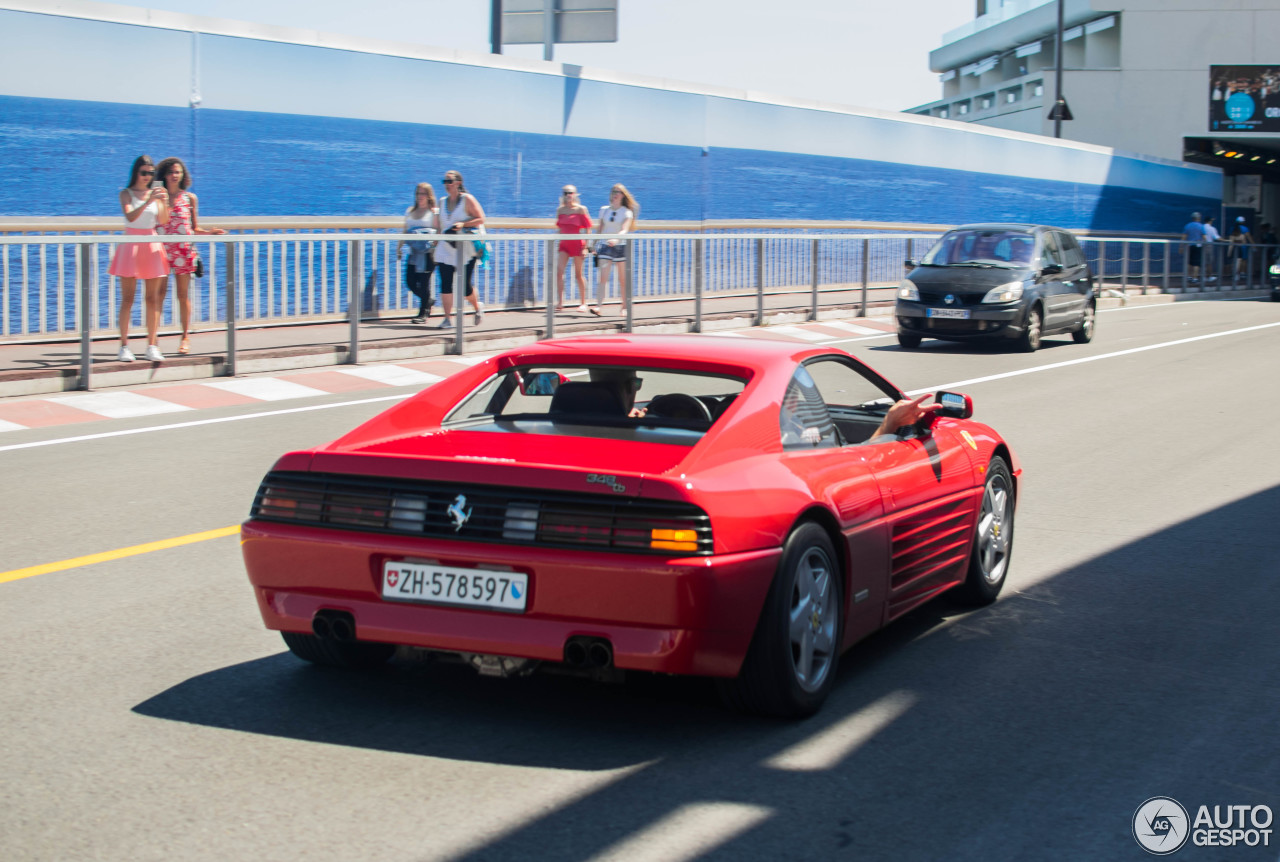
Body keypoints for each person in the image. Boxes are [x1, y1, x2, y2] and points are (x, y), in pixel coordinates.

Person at [155, 157, 226, 354]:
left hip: (183, 250)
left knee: (182, 295)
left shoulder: (189, 198)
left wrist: (210, 232)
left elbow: (193, 228)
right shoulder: (158, 196)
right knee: (158, 295)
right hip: (161, 250)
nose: (174, 176)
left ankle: (185, 337)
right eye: (170, 172)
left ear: (182, 175)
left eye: (177, 172)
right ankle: (154, 340)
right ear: (164, 175)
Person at [107, 155, 170, 362]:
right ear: (136, 173)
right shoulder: (126, 194)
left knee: (153, 298)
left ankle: (152, 344)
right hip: (132, 244)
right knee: (128, 298)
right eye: (144, 173)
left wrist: (164, 201)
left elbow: (163, 220)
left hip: (151, 243)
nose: (147, 177)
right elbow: (130, 217)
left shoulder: (156, 195)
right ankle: (124, 345)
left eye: (151, 173)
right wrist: (148, 201)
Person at [433, 170, 485, 328]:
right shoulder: (442, 202)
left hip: (465, 249)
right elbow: (440, 226)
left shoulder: (467, 199)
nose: (446, 185)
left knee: (464, 287)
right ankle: (448, 318)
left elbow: (481, 218)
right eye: (445, 181)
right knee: (445, 283)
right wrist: (435, 241)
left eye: (449, 181)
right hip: (446, 247)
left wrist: (463, 224)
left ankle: (477, 307)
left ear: (458, 183)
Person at [587, 183, 638, 316]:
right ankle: (598, 307)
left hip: (620, 247)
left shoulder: (626, 212)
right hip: (605, 247)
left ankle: (624, 307)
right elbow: (600, 229)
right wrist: (593, 244)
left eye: (619, 192)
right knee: (603, 278)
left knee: (622, 279)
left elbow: (624, 229)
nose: (616, 194)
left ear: (623, 195)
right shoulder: (604, 210)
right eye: (614, 191)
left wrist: (616, 239)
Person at [397, 182, 437, 323]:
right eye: (418, 193)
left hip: (428, 253)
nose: (420, 196)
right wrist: (399, 247)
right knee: (410, 282)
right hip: (414, 253)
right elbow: (404, 230)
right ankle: (428, 301)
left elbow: (440, 231)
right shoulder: (410, 211)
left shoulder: (434, 212)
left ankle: (423, 314)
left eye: (423, 193)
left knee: (424, 283)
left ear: (429, 195)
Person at [553, 185, 593, 313]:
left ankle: (583, 303)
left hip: (577, 245)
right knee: (559, 272)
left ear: (575, 194)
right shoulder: (561, 210)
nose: (568, 195)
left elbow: (588, 228)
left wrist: (586, 247)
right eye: (565, 193)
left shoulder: (581, 209)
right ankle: (560, 302)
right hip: (564, 244)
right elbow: (560, 228)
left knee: (578, 274)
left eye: (570, 193)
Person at [1181, 212, 1205, 282]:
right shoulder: (1201, 226)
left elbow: (1184, 237)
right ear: (1199, 218)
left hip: (1190, 245)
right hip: (1198, 246)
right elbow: (1204, 237)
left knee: (1189, 262)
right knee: (1196, 263)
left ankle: (1188, 276)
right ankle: (1195, 278)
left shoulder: (1187, 225)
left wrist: (1181, 247)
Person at [1202, 216, 1220, 282]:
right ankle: (1209, 276)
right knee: (1209, 262)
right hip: (1209, 245)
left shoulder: (1202, 227)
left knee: (1202, 261)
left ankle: (1203, 276)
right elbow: (1216, 237)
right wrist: (1226, 240)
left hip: (1201, 245)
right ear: (1209, 221)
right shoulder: (1212, 228)